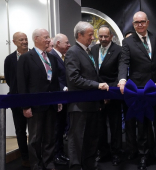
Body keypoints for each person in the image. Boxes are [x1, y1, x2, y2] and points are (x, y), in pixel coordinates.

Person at [118, 11, 156, 170]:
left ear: (148, 22)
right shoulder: (127, 42)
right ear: (133, 24)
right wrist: (122, 79)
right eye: (136, 22)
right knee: (142, 124)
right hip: (139, 89)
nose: (140, 25)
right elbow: (124, 62)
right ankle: (143, 155)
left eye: (142, 22)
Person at [65, 21, 109, 170]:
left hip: (92, 105)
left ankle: (89, 164)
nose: (93, 38)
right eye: (90, 35)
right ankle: (76, 166)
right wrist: (97, 86)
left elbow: (93, 75)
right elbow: (74, 78)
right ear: (80, 35)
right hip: (79, 105)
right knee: (77, 139)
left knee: (91, 138)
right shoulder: (73, 52)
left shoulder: (88, 51)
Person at [17, 28, 61, 170]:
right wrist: (25, 106)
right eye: (46, 37)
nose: (49, 40)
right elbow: (22, 84)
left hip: (50, 105)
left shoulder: (52, 58)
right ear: (36, 39)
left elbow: (55, 82)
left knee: (50, 137)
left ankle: (49, 163)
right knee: (35, 139)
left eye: (49, 37)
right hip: (35, 107)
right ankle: (36, 165)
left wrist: (58, 100)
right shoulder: (25, 58)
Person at [91, 25, 123, 166]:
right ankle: (103, 152)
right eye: (101, 36)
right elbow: (92, 72)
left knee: (115, 125)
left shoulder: (119, 50)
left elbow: (120, 72)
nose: (103, 39)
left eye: (106, 36)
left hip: (113, 93)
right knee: (99, 125)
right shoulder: (93, 49)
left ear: (111, 36)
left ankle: (116, 153)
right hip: (97, 92)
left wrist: (110, 92)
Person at [4, 32, 30, 168]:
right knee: (20, 130)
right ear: (14, 42)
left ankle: (36, 156)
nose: (25, 42)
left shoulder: (34, 56)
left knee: (36, 130)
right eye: (21, 40)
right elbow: (9, 79)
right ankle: (25, 158)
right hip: (16, 100)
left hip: (33, 99)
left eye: (26, 39)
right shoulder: (9, 59)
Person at [49, 33, 71, 165]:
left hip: (64, 98)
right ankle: (56, 154)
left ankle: (61, 152)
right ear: (58, 43)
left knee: (62, 126)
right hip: (58, 97)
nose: (69, 45)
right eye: (66, 43)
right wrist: (63, 88)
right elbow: (54, 77)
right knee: (56, 128)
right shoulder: (52, 56)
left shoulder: (63, 56)